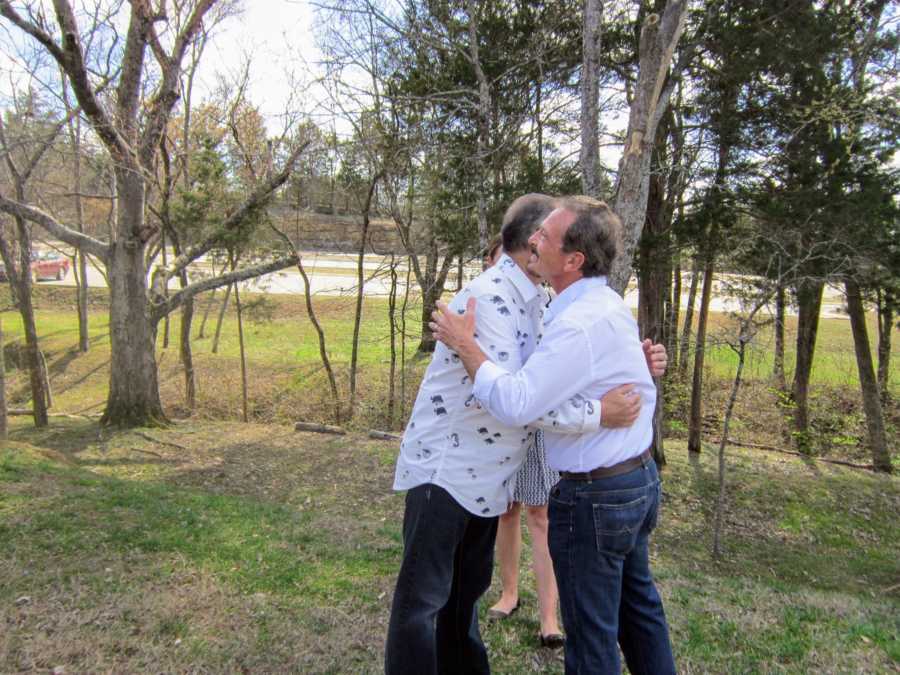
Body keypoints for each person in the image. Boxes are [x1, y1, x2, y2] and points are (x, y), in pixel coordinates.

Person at [384, 194, 665, 675]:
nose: (540, 241)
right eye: (541, 233)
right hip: (446, 472)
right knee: (422, 606)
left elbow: (553, 379)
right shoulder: (486, 299)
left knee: (463, 599)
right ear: (530, 243)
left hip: (490, 481)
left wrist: (625, 365)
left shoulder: (543, 301)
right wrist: (599, 411)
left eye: (549, 236)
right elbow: (520, 403)